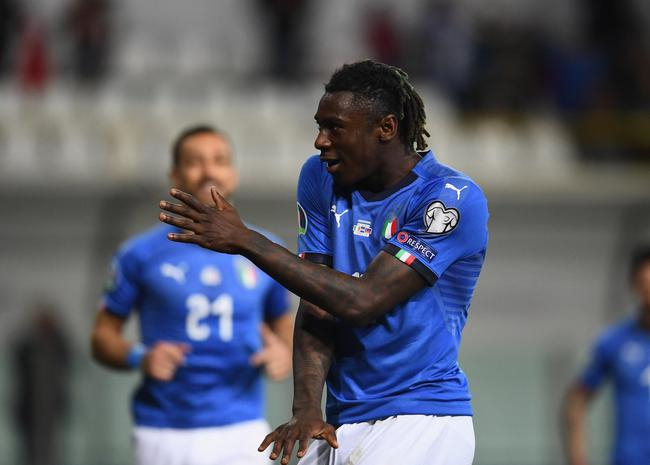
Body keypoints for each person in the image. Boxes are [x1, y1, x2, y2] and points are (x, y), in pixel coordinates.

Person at [159, 60, 489, 465]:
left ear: (386, 128)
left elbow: (364, 300)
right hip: (343, 419)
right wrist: (305, 409)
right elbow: (317, 299)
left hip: (421, 418)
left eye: (335, 128)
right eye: (320, 126)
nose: (320, 141)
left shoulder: (449, 198)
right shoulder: (320, 178)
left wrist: (246, 240)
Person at [91, 124, 294, 465]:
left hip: (242, 428)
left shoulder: (265, 249)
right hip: (164, 430)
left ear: (233, 174)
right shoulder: (139, 253)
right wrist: (140, 357)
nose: (209, 170)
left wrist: (284, 352)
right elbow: (102, 337)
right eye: (195, 161)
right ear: (175, 174)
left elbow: (282, 319)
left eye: (219, 160)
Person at [563, 246, 650, 465]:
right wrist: (578, 457)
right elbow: (576, 400)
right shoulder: (615, 342)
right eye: (644, 283)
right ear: (634, 285)